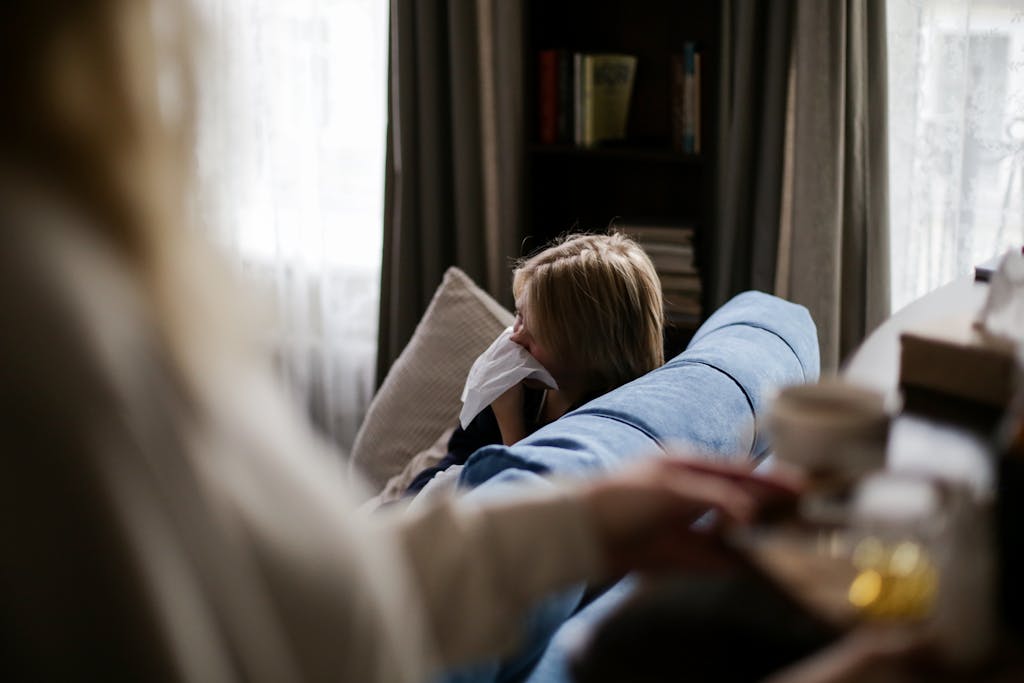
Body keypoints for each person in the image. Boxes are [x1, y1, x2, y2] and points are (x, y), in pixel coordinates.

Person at [0, 2, 795, 682]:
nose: (510, 336)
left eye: (530, 327)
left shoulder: (67, 295)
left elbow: (335, 600)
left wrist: (566, 514)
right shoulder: (52, 309)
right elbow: (330, 604)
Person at [406, 232, 664, 495]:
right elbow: (456, 454)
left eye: (533, 329)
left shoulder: (596, 426)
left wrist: (509, 421)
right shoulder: (519, 381)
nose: (515, 336)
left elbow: (524, 497)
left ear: (585, 346)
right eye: (518, 315)